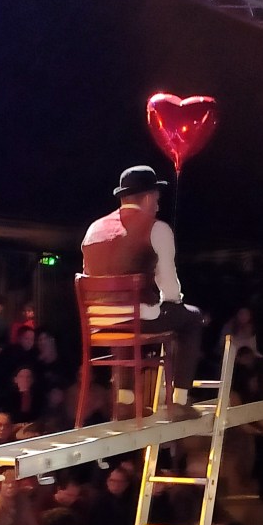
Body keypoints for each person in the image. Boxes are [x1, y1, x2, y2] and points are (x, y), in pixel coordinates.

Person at [81, 165, 203, 420]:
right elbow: (171, 291)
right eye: (156, 199)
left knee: (126, 318)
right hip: (135, 317)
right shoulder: (157, 228)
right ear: (147, 198)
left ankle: (125, 402)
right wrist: (171, 303)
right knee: (191, 317)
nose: (157, 206)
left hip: (98, 321)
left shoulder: (93, 229)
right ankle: (179, 401)